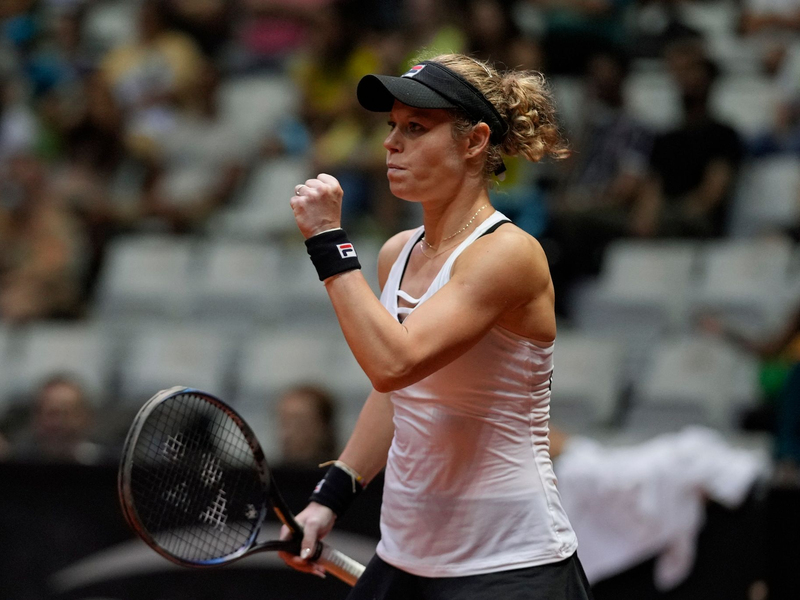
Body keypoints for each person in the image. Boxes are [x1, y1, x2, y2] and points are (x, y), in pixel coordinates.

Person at [283, 53, 593, 599]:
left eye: (416, 128)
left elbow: (393, 362)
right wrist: (327, 499)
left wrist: (328, 242)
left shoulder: (509, 255)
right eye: (392, 127)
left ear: (473, 142)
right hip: (404, 557)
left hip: (509, 566)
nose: (391, 143)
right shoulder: (397, 253)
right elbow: (399, 391)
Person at [276, 383, 339, 468]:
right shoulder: (269, 476)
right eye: (284, 423)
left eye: (299, 424)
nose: (287, 434)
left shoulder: (343, 476)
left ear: (323, 426)